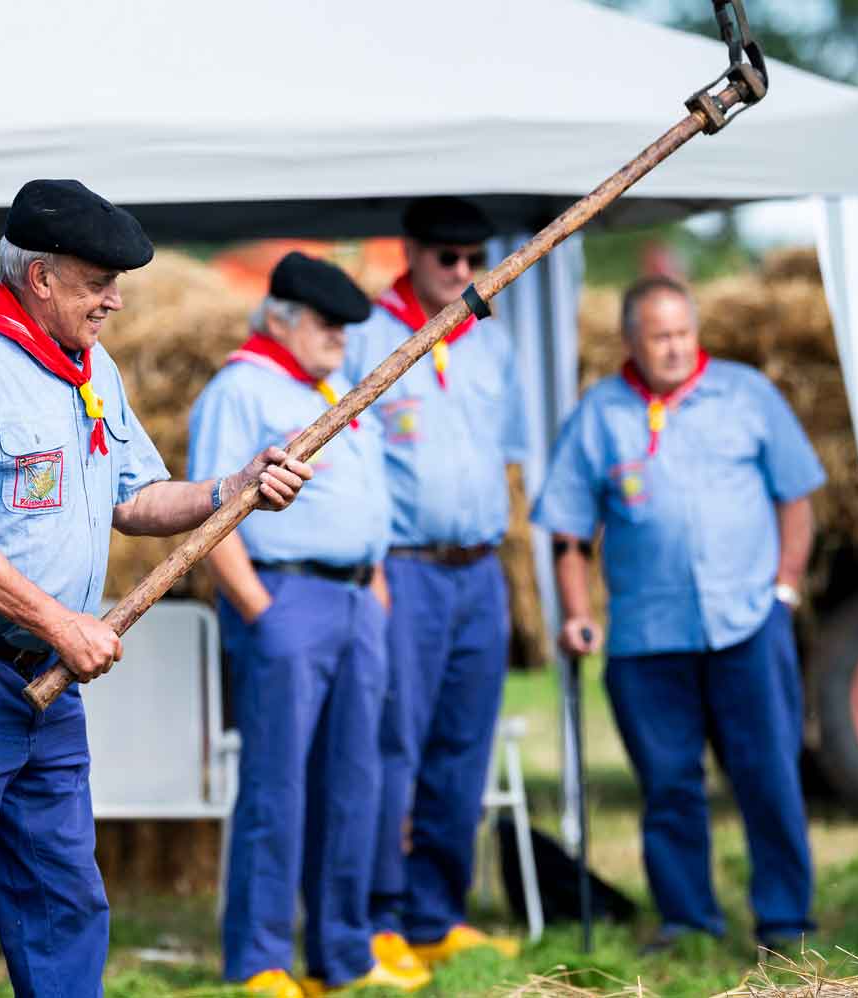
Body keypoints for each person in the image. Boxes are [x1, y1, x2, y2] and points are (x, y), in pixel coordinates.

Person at [0, 178, 313, 997]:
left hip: (47, 677)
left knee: (62, 896)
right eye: (97, 280)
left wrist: (232, 487)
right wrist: (61, 622)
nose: (114, 299)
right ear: (40, 277)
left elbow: (136, 498)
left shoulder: (89, 366)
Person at [531, 276, 823, 953]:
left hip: (747, 623)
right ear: (631, 340)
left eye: (682, 334)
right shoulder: (600, 414)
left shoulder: (747, 395)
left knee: (768, 776)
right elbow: (568, 531)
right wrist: (577, 613)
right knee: (668, 786)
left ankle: (786, 921)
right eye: (659, 336)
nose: (673, 348)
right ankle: (687, 921)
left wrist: (785, 586)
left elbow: (797, 496)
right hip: (646, 637)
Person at [189, 253, 425, 996]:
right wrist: (258, 607)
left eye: (348, 327)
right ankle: (261, 959)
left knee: (356, 780)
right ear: (283, 317)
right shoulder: (241, 388)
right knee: (277, 784)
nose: (340, 339)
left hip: (357, 599)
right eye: (328, 324)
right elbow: (210, 514)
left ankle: (343, 952)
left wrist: (376, 584)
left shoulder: (330, 390)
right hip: (287, 597)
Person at [344, 197, 523, 969]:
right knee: (395, 747)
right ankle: (379, 916)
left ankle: (436, 913)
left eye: (473, 257)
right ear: (410, 253)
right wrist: (374, 569)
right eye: (447, 257)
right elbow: (350, 458)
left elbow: (507, 457)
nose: (462, 271)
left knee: (464, 747)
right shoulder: (368, 337)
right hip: (405, 570)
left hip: (479, 569)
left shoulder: (492, 340)